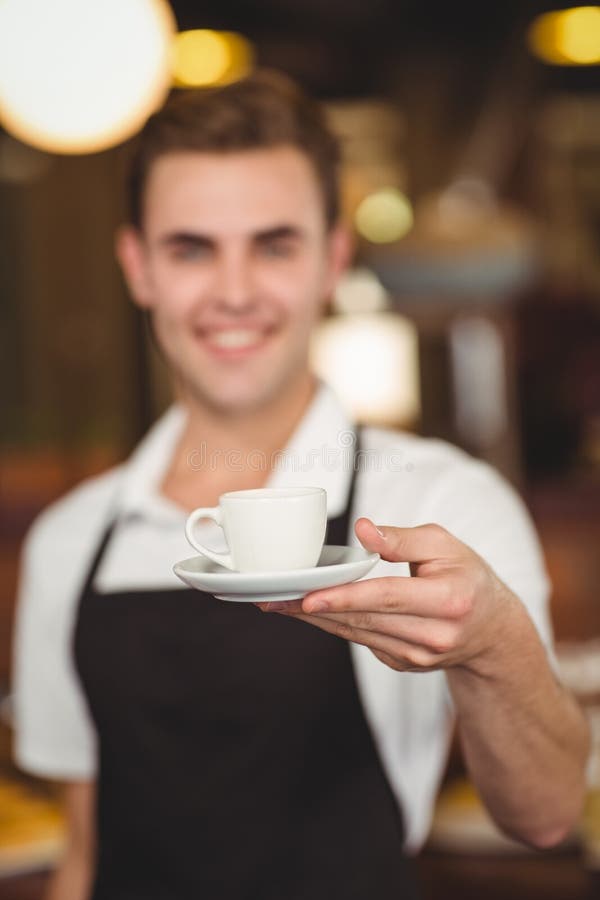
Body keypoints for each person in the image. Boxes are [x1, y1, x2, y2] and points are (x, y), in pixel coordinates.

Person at [12, 70, 589, 900]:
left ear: (333, 260)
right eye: (191, 249)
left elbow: (546, 815)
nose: (236, 292)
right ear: (137, 267)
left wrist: (494, 646)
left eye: (274, 245)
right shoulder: (71, 539)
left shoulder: (441, 502)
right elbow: (83, 853)